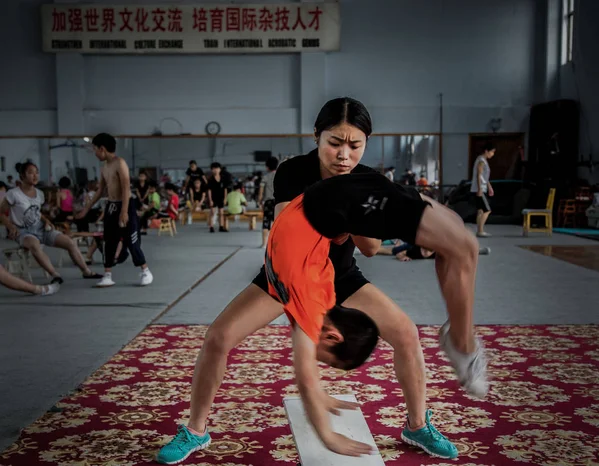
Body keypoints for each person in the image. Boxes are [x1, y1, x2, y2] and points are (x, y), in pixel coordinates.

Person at [156, 97, 481, 464]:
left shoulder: (365, 182)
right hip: (284, 276)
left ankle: (417, 425)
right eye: (335, 143)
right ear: (316, 136)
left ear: (366, 144)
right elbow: (281, 235)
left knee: (406, 333)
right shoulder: (293, 172)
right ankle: (195, 430)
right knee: (218, 337)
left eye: (355, 146)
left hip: (340, 276)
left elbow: (371, 248)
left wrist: (354, 211)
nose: (344, 155)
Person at [0, 162, 102, 283]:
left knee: (69, 242)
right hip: (24, 231)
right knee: (34, 246)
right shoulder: (13, 194)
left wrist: (46, 220)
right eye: (31, 172)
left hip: (41, 227)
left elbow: (37, 213)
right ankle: (55, 275)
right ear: (22, 175)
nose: (35, 175)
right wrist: (10, 226)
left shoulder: (39, 194)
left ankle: (86, 271)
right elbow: (1, 213)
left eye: (37, 172)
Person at [77, 133, 153, 288]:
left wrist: (124, 211)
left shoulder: (120, 163)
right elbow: (100, 191)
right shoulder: (104, 167)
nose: (95, 153)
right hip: (111, 206)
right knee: (109, 241)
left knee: (132, 241)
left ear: (102, 149)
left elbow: (126, 187)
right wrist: (86, 209)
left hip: (126, 205)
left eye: (95, 149)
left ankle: (145, 271)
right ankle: (108, 274)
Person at [471, 143, 496, 237]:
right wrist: (480, 189)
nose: (492, 154)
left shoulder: (483, 160)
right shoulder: (481, 160)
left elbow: (485, 177)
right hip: (479, 189)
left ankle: (479, 231)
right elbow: (479, 175)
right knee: (487, 210)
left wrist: (489, 186)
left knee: (481, 210)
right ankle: (480, 231)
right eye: (492, 152)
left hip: (482, 187)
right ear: (486, 151)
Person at [258, 156, 278, 248]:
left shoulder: (265, 177)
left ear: (267, 167)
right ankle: (277, 243)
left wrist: (259, 201)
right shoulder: (280, 175)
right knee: (277, 222)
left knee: (266, 221)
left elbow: (261, 191)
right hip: (278, 201)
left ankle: (264, 243)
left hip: (268, 201)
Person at [207, 162, 227, 233]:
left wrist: (225, 198)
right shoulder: (210, 179)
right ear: (212, 170)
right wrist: (210, 200)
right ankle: (211, 227)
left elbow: (225, 189)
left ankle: (221, 227)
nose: (215, 170)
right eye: (214, 169)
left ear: (220, 169)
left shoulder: (223, 178)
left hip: (221, 198)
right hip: (213, 198)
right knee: (212, 212)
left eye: (217, 168)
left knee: (221, 213)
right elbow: (209, 190)